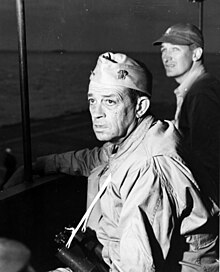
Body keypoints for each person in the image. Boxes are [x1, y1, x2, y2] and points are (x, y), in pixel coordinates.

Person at [6, 52, 219, 271]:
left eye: (109, 101)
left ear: (140, 107)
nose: (96, 113)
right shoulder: (141, 136)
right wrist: (40, 165)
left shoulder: (147, 167)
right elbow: (98, 158)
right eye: (92, 100)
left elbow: (137, 268)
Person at [152, 23, 220, 198]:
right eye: (163, 50)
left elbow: (209, 160)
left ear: (196, 54)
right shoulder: (194, 89)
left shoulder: (201, 93)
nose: (166, 57)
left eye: (175, 49)